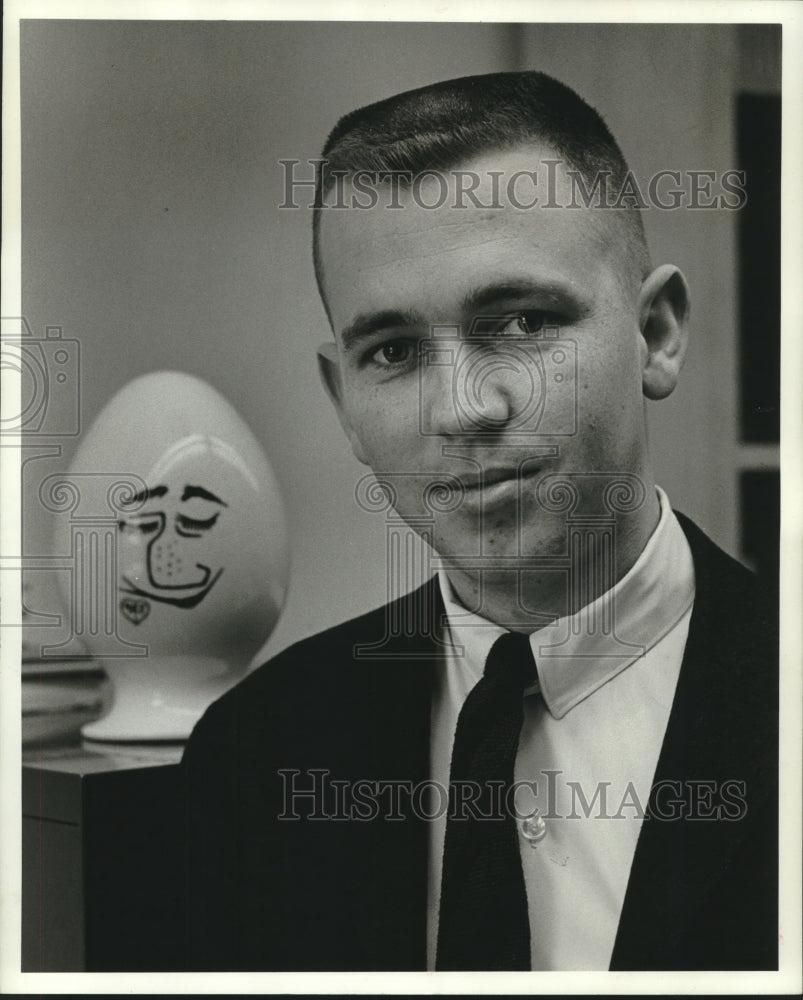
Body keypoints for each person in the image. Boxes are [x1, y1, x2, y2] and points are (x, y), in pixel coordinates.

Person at [181, 71, 778, 972]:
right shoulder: (256, 751)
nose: (463, 409)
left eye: (521, 322)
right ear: (344, 400)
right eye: (393, 352)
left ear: (654, 333)